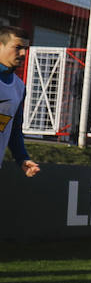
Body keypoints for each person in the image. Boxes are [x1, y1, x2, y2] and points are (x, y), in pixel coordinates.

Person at [0, 25, 40, 179]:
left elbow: (14, 129)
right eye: (17, 47)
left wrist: (22, 158)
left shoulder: (19, 86)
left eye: (25, 48)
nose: (23, 53)